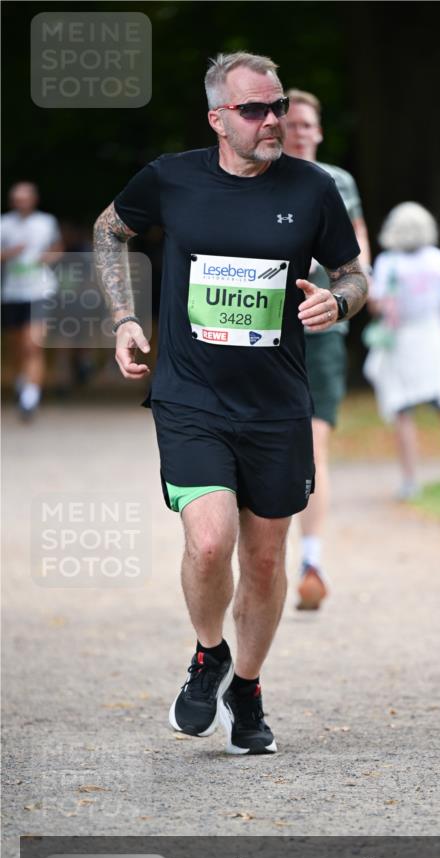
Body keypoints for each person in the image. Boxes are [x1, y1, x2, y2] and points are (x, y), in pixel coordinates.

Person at [93, 52, 366, 755]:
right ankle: (208, 652)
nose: (271, 120)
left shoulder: (311, 187)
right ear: (218, 119)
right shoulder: (172, 178)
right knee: (210, 541)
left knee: (267, 561)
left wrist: (338, 302)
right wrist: (123, 318)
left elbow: (353, 271)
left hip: (276, 403)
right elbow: (109, 230)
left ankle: (245, 688)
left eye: (278, 106)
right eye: (254, 109)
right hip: (191, 396)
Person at [283, 89, 371, 611]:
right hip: (264, 334)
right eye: (289, 124)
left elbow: (359, 256)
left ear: (318, 131)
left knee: (314, 445)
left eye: (306, 125)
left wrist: (347, 294)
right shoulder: (262, 177)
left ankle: (311, 560)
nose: (298, 132)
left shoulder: (340, 182)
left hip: (322, 334)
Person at [364, 201, 440, 498]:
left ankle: (410, 480)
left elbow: (376, 305)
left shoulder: (388, 263)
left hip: (400, 340)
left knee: (402, 410)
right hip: (432, 337)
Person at [1, 182, 62, 418]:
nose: (21, 203)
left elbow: (58, 248)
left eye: (25, 198)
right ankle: (22, 381)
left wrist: (49, 257)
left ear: (34, 199)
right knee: (17, 346)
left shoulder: (46, 222)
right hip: (12, 292)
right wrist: (9, 254)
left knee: (33, 344)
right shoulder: (4, 223)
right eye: (17, 199)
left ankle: (30, 398)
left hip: (40, 290)